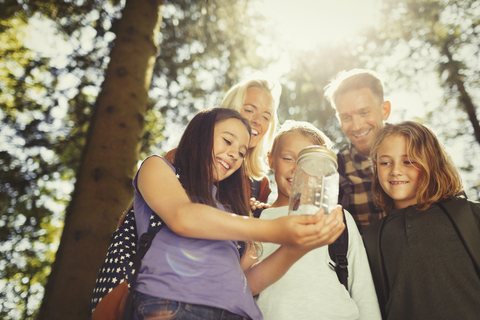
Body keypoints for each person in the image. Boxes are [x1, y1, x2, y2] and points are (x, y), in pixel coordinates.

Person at [132, 108, 345, 320]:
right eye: (227, 141)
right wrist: (277, 229)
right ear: (200, 134)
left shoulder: (232, 210)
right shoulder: (159, 168)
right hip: (176, 304)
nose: (235, 154)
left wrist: (298, 246)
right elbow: (183, 217)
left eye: (242, 152)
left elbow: (248, 281)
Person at [255, 120, 381, 320]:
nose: (297, 168)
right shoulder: (255, 221)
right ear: (271, 160)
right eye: (288, 158)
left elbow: (363, 290)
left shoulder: (338, 218)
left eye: (309, 162)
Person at [363, 121, 480, 320]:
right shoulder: (371, 236)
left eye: (408, 161)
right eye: (385, 162)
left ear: (431, 162)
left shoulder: (469, 214)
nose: (395, 170)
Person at [166, 73, 280, 210]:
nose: (258, 121)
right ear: (231, 110)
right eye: (249, 110)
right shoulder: (178, 159)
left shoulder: (260, 185)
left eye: (266, 117)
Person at [324, 69, 392, 234]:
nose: (356, 126)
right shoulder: (334, 173)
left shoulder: (419, 151)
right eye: (346, 117)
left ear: (384, 110)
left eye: (364, 112)